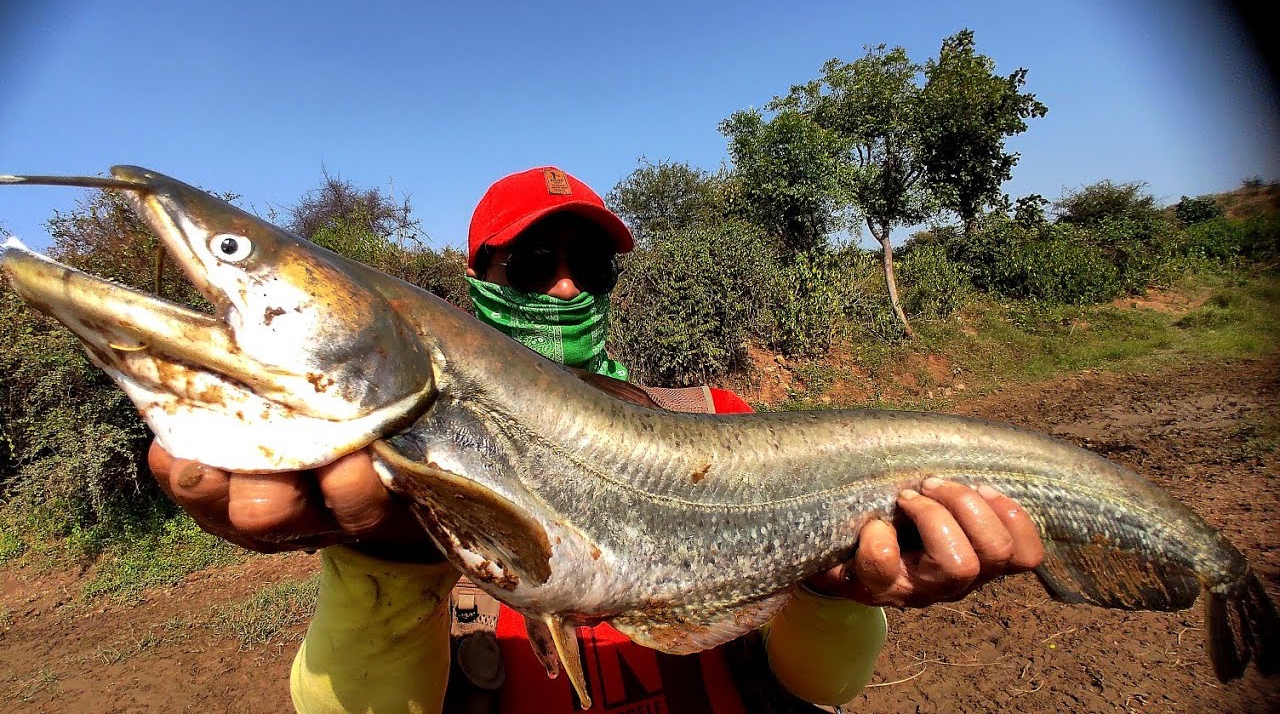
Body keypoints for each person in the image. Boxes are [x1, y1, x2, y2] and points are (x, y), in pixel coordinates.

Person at [148, 166, 1046, 713]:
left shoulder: (721, 421)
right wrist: (383, 565)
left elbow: (823, 689)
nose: (570, 288)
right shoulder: (405, 470)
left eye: (594, 265)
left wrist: (838, 591)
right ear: (481, 279)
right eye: (535, 265)